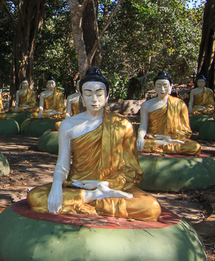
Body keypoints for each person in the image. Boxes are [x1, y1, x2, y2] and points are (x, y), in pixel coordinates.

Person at [27, 67, 161, 220]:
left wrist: (106, 184)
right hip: (79, 186)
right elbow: (63, 163)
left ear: (107, 96)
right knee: (36, 197)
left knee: (151, 207)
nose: (94, 99)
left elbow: (132, 170)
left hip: (113, 187)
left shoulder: (122, 125)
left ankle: (88, 200)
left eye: (99, 93)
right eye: (88, 94)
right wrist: (57, 185)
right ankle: (94, 197)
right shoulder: (68, 125)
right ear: (81, 98)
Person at [136, 72, 201, 156]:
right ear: (154, 87)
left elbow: (186, 130)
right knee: (134, 143)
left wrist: (170, 138)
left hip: (174, 140)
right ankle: (162, 144)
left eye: (165, 86)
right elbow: (143, 127)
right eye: (159, 86)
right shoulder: (147, 105)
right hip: (155, 139)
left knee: (195, 147)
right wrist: (140, 137)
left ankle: (163, 145)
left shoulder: (179, 104)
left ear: (171, 86)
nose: (162, 89)